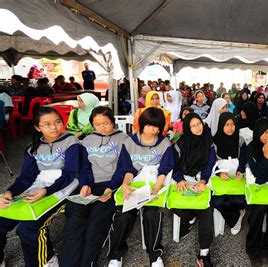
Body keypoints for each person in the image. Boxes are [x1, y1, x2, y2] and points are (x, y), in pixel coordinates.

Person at [0, 107, 80, 266]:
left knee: (28, 228)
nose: (54, 127)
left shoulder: (71, 141)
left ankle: (47, 260)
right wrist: (10, 192)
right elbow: (26, 177)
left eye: (57, 122)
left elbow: (70, 173)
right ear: (38, 127)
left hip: (64, 188)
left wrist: (47, 191)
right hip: (38, 186)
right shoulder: (33, 148)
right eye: (47, 124)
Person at [106, 107, 175, 267]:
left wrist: (156, 189)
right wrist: (125, 185)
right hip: (134, 184)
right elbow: (127, 169)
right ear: (142, 124)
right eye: (149, 125)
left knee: (152, 214)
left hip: (154, 184)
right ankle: (115, 256)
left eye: (157, 126)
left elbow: (164, 169)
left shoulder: (164, 144)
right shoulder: (129, 142)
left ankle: (155, 255)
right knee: (123, 215)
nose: (153, 130)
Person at [61, 107, 127, 266]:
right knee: (74, 220)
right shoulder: (87, 140)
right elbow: (84, 168)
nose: (102, 127)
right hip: (90, 185)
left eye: (106, 123)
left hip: (112, 185)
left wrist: (110, 188)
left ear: (113, 121)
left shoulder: (123, 139)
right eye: (97, 124)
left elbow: (123, 168)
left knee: (96, 223)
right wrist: (85, 184)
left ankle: (88, 262)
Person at [172, 112, 216, 266]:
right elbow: (175, 165)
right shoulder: (180, 144)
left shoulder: (209, 142)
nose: (198, 128)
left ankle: (204, 252)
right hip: (185, 179)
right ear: (187, 128)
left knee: (206, 211)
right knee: (173, 205)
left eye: (199, 124)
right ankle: (190, 217)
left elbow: (209, 165)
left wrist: (203, 181)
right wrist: (180, 179)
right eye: (193, 126)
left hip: (202, 180)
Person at [245, 118, 268, 261]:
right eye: (265, 132)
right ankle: (252, 247)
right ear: (258, 132)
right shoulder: (251, 148)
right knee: (259, 209)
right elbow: (258, 176)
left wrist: (265, 175)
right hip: (257, 187)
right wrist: (266, 158)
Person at [211, 112, 248, 234]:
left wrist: (240, 170)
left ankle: (238, 211)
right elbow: (211, 162)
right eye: (227, 124)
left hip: (237, 178)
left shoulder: (240, 140)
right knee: (217, 202)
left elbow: (244, 158)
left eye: (232, 124)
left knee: (241, 201)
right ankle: (235, 218)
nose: (230, 128)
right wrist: (219, 173)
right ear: (221, 125)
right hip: (221, 178)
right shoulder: (215, 142)